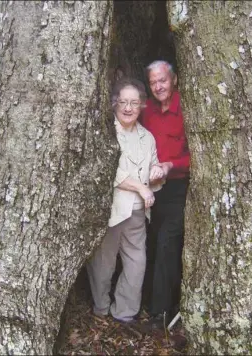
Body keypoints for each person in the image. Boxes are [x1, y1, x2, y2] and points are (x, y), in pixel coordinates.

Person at [87, 77, 164, 323]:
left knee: (136, 262)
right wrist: (141, 188)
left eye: (134, 102)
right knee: (103, 262)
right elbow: (109, 172)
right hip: (112, 209)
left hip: (139, 212)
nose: (128, 108)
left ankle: (125, 312)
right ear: (114, 104)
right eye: (123, 102)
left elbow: (153, 169)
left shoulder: (147, 137)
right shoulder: (107, 132)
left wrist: (157, 172)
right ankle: (101, 308)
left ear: (142, 105)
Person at [140, 60, 190, 330]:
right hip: (148, 188)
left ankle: (160, 313)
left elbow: (201, 153)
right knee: (147, 243)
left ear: (174, 80)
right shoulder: (145, 109)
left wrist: (172, 166)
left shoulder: (187, 106)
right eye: (153, 82)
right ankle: (148, 303)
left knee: (167, 245)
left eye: (163, 80)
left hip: (175, 188)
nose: (159, 86)